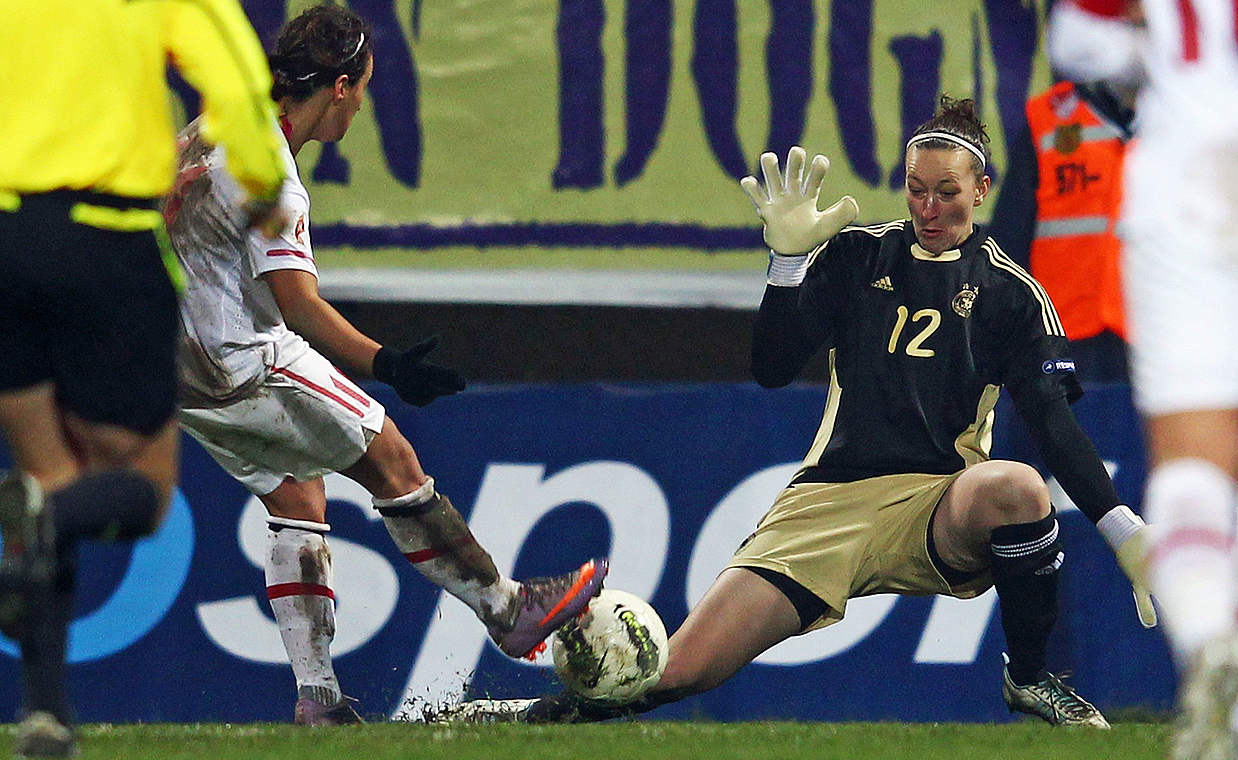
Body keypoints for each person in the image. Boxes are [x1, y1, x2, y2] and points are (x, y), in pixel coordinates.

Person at [451, 97, 1155, 728]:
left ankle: (1031, 680)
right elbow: (771, 368)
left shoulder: (1012, 293)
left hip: (937, 501)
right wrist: (786, 266)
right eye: (916, 190)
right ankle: (524, 719)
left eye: (949, 193)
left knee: (1018, 489)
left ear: (983, 190)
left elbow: (1054, 426)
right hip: (826, 504)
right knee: (678, 671)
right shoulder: (856, 256)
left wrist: (1121, 529)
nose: (931, 209)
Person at [164, 4, 606, 725]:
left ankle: (319, 701)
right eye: (363, 87)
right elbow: (298, 304)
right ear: (339, 88)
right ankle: (508, 611)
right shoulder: (270, 171)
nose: (364, 104)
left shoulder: (219, 121)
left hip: (176, 364)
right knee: (394, 461)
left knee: (297, 498)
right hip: (238, 359)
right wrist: (388, 362)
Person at [1051, 1, 1238, 758]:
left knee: (1193, 460)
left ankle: (1207, 647)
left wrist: (1155, 50)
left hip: (1187, 186)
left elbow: (1079, 42)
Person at [0, 0, 288, 756]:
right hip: (105, 239)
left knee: (46, 478)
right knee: (145, 491)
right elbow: (236, 79)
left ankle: (46, 714)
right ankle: (42, 531)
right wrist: (260, 182)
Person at [989, 78, 1137, 388]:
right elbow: (1009, 245)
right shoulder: (1046, 119)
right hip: (1062, 338)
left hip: (1160, 336)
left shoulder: (1188, 119)